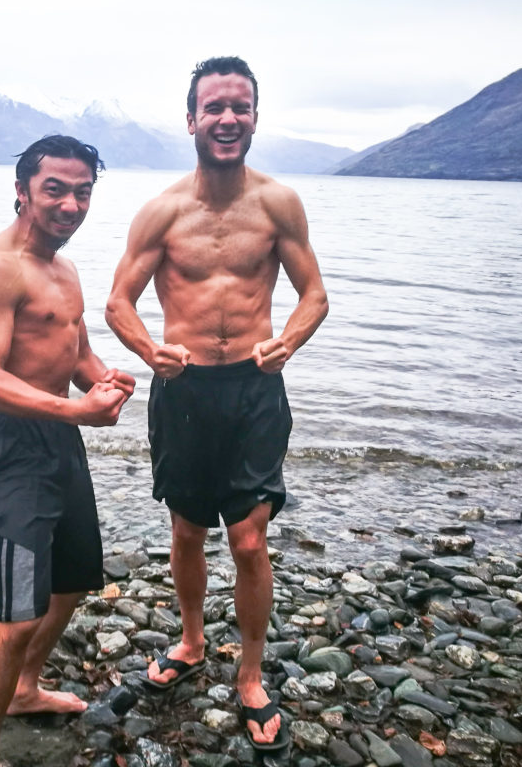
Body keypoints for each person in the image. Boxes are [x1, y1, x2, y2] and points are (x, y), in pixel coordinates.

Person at [105, 57, 328, 752]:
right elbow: (117, 302)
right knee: (187, 531)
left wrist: (288, 341)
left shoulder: (279, 204)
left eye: (240, 108)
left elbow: (314, 294)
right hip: (186, 389)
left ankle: (252, 674)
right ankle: (195, 642)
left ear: (254, 117)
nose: (227, 120)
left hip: (255, 391)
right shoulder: (163, 211)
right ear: (193, 119)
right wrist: (150, 353)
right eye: (215, 108)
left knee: (251, 537)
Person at [0, 134, 136, 767]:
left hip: (60, 437)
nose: (69, 204)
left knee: (70, 584)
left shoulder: (63, 267)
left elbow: (75, 351)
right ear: (22, 191)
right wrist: (75, 409)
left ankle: (25, 690)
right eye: (54, 189)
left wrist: (104, 382)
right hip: (16, 443)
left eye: (82, 191)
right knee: (14, 613)